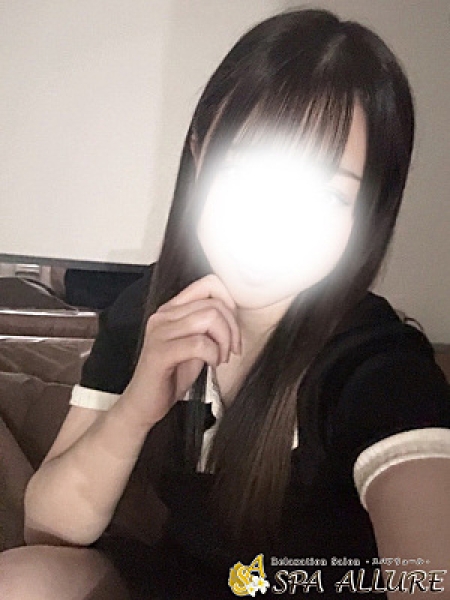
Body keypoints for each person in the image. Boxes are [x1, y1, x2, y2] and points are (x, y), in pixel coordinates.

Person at [1, 7, 449, 600]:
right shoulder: (150, 312)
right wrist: (136, 409)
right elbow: (49, 527)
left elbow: (431, 572)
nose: (275, 220)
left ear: (367, 209)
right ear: (199, 150)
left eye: (327, 197)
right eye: (247, 173)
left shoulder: (375, 365)